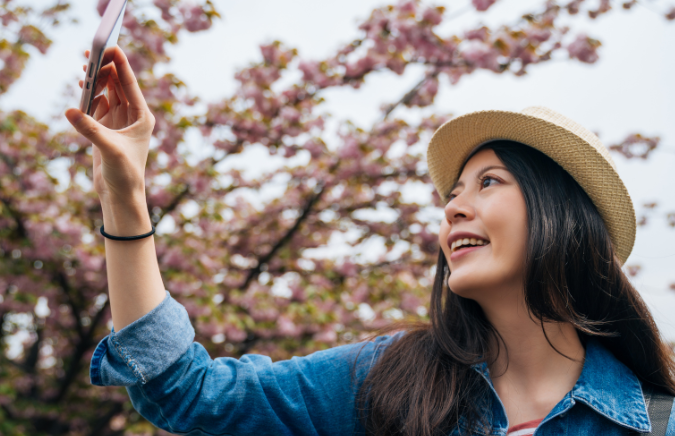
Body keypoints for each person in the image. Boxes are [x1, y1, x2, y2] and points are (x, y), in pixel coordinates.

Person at [65, 47, 675, 436]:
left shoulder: (655, 424)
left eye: (489, 182)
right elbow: (185, 393)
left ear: (563, 219)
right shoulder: (388, 381)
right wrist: (125, 193)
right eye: (451, 195)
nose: (455, 207)